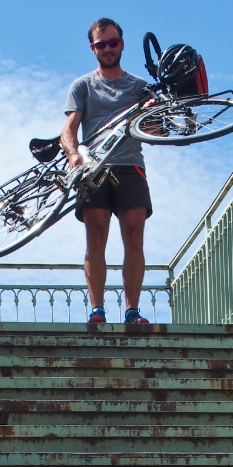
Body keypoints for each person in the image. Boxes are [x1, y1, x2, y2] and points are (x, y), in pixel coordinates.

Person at [60, 18, 152, 325]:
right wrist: (73, 154)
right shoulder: (82, 85)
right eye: (101, 44)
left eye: (113, 42)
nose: (108, 49)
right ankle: (97, 310)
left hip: (130, 166)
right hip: (94, 168)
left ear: (122, 44)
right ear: (92, 49)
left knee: (134, 237)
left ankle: (132, 311)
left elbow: (154, 129)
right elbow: (69, 129)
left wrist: (152, 110)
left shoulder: (140, 87)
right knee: (95, 237)